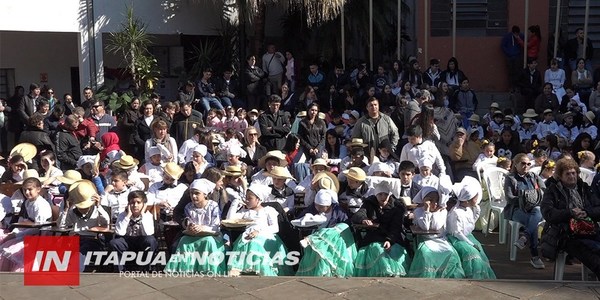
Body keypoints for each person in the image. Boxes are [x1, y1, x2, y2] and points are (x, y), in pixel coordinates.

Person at [541, 158, 600, 279]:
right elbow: (548, 214)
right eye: (567, 174)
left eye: (573, 173)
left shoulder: (584, 188)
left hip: (588, 228)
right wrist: (570, 213)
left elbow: (598, 208)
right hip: (565, 233)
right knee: (592, 253)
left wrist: (586, 212)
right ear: (560, 176)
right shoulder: (552, 191)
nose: (571, 176)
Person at [227, 184, 293, 276]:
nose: (246, 200)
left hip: (266, 236)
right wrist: (235, 202)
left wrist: (259, 231)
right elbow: (230, 219)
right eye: (246, 197)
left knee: (254, 243)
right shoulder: (245, 212)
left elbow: (275, 228)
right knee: (247, 241)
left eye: (250, 198)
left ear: (258, 199)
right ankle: (242, 268)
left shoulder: (268, 210)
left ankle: (259, 268)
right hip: (248, 235)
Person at [164, 179, 226, 274]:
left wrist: (203, 228)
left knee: (208, 241)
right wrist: (190, 226)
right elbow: (188, 221)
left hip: (212, 235)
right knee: (183, 240)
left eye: (197, 193)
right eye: (191, 193)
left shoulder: (213, 206)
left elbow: (216, 226)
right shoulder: (188, 207)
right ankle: (185, 269)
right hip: (194, 235)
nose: (193, 196)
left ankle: (208, 269)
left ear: (205, 194)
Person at [352, 181, 411, 277]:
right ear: (376, 195)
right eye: (380, 194)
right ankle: (380, 273)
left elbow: (396, 227)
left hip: (393, 236)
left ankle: (392, 273)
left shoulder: (397, 207)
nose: (383, 197)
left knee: (392, 250)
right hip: (374, 236)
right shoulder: (369, 203)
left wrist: (389, 240)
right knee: (377, 248)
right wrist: (364, 219)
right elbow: (358, 214)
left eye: (385, 194)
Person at [294, 189, 356, 277]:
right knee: (320, 245)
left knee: (340, 227)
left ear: (329, 205)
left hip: (335, 241)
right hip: (318, 241)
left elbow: (346, 225)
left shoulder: (338, 211)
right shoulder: (312, 210)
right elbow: (299, 221)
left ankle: (311, 239)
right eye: (317, 205)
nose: (318, 208)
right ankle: (313, 238)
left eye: (321, 206)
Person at [407, 187, 465, 278]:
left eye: (437, 200)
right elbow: (425, 227)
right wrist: (427, 211)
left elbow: (436, 226)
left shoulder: (442, 211)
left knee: (450, 253)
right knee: (425, 253)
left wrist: (435, 212)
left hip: (440, 239)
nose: (434, 203)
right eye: (430, 200)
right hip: (425, 239)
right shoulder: (418, 211)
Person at [446, 176, 496, 279]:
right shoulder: (456, 213)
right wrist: (470, 243)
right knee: (471, 252)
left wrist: (477, 213)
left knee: (480, 251)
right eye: (475, 198)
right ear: (468, 199)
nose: (477, 200)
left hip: (468, 236)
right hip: (457, 239)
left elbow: (470, 225)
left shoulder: (469, 209)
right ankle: (473, 275)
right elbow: (457, 232)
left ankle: (482, 275)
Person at [504, 153, 546, 269]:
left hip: (534, 209)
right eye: (523, 163)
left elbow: (544, 191)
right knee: (532, 221)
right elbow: (509, 198)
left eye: (528, 164)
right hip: (517, 209)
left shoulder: (534, 176)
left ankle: (524, 237)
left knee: (537, 211)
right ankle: (534, 256)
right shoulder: (510, 178)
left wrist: (535, 198)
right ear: (515, 164)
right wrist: (525, 199)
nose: (526, 166)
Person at [110, 191, 158, 272]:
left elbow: (149, 233)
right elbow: (120, 233)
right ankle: (119, 270)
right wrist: (128, 216)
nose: (135, 205)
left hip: (141, 240)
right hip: (127, 241)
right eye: (132, 203)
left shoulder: (147, 216)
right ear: (128, 204)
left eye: (138, 202)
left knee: (151, 240)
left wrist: (142, 214)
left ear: (143, 204)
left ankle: (148, 268)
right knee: (114, 242)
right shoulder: (123, 215)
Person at [502, 26, 525, 91]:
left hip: (517, 57)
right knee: (510, 72)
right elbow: (503, 45)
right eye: (515, 33)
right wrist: (508, 53)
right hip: (509, 57)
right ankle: (511, 87)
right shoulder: (507, 37)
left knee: (518, 71)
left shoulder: (521, 36)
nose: (516, 35)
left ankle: (517, 86)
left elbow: (524, 44)